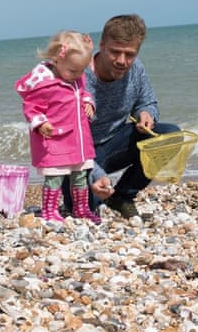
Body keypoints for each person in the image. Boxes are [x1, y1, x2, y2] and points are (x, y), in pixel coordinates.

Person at [65, 14, 180, 218]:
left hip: (115, 144)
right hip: (77, 154)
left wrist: (145, 114)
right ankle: (98, 192)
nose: (122, 61)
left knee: (170, 136)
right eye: (115, 52)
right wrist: (97, 175)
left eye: (129, 54)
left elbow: (148, 102)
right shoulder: (77, 76)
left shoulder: (136, 69)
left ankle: (123, 195)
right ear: (101, 45)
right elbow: (67, 141)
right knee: (85, 211)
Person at [15, 30, 100, 224]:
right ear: (56, 59)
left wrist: (89, 102)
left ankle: (81, 208)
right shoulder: (45, 85)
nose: (77, 76)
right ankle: (50, 210)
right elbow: (31, 107)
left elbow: (84, 92)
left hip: (78, 140)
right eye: (72, 71)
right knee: (54, 178)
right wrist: (41, 123)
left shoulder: (76, 78)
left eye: (81, 71)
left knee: (81, 176)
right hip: (56, 140)